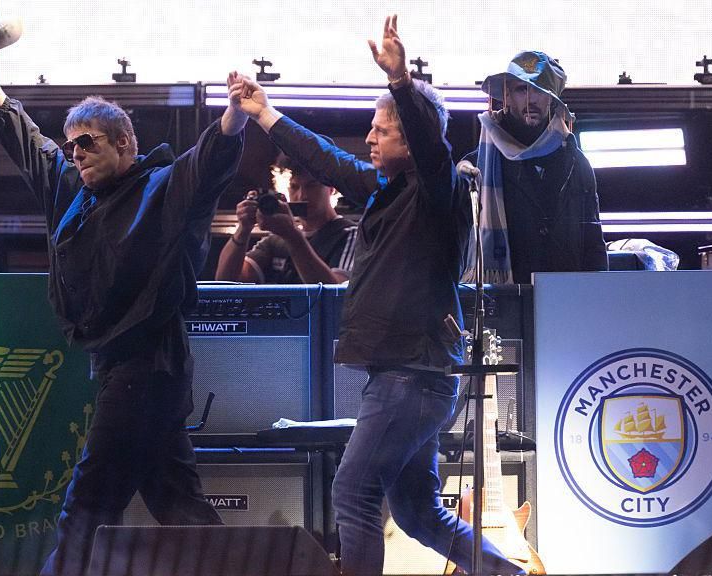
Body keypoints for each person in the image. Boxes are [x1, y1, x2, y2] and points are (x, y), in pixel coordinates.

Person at [230, 16, 523, 576]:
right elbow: (327, 160)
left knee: (353, 495)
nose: (368, 138)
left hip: (412, 375)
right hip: (406, 375)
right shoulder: (389, 190)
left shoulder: (440, 189)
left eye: (380, 130)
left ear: (411, 143)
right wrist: (264, 113)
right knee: (418, 514)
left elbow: (432, 145)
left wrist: (401, 83)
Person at [0, 58, 248, 576]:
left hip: (148, 367)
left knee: (88, 504)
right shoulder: (73, 192)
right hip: (127, 372)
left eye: (88, 142)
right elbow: (31, 146)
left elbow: (206, 162)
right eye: (72, 144)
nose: (76, 153)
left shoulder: (162, 188)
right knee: (180, 507)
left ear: (124, 144)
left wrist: (235, 115)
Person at [460, 50, 607, 284]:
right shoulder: (477, 166)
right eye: (522, 89)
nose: (531, 99)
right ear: (507, 95)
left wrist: (599, 299)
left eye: (540, 90)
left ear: (552, 99)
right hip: (504, 302)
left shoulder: (575, 161)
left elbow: (593, 242)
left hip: (564, 298)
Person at [215, 154, 357, 284]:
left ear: (331, 188)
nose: (302, 196)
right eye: (294, 187)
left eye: (312, 186)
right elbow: (226, 281)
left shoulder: (351, 235)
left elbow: (335, 296)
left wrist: (292, 236)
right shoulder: (277, 239)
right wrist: (243, 229)